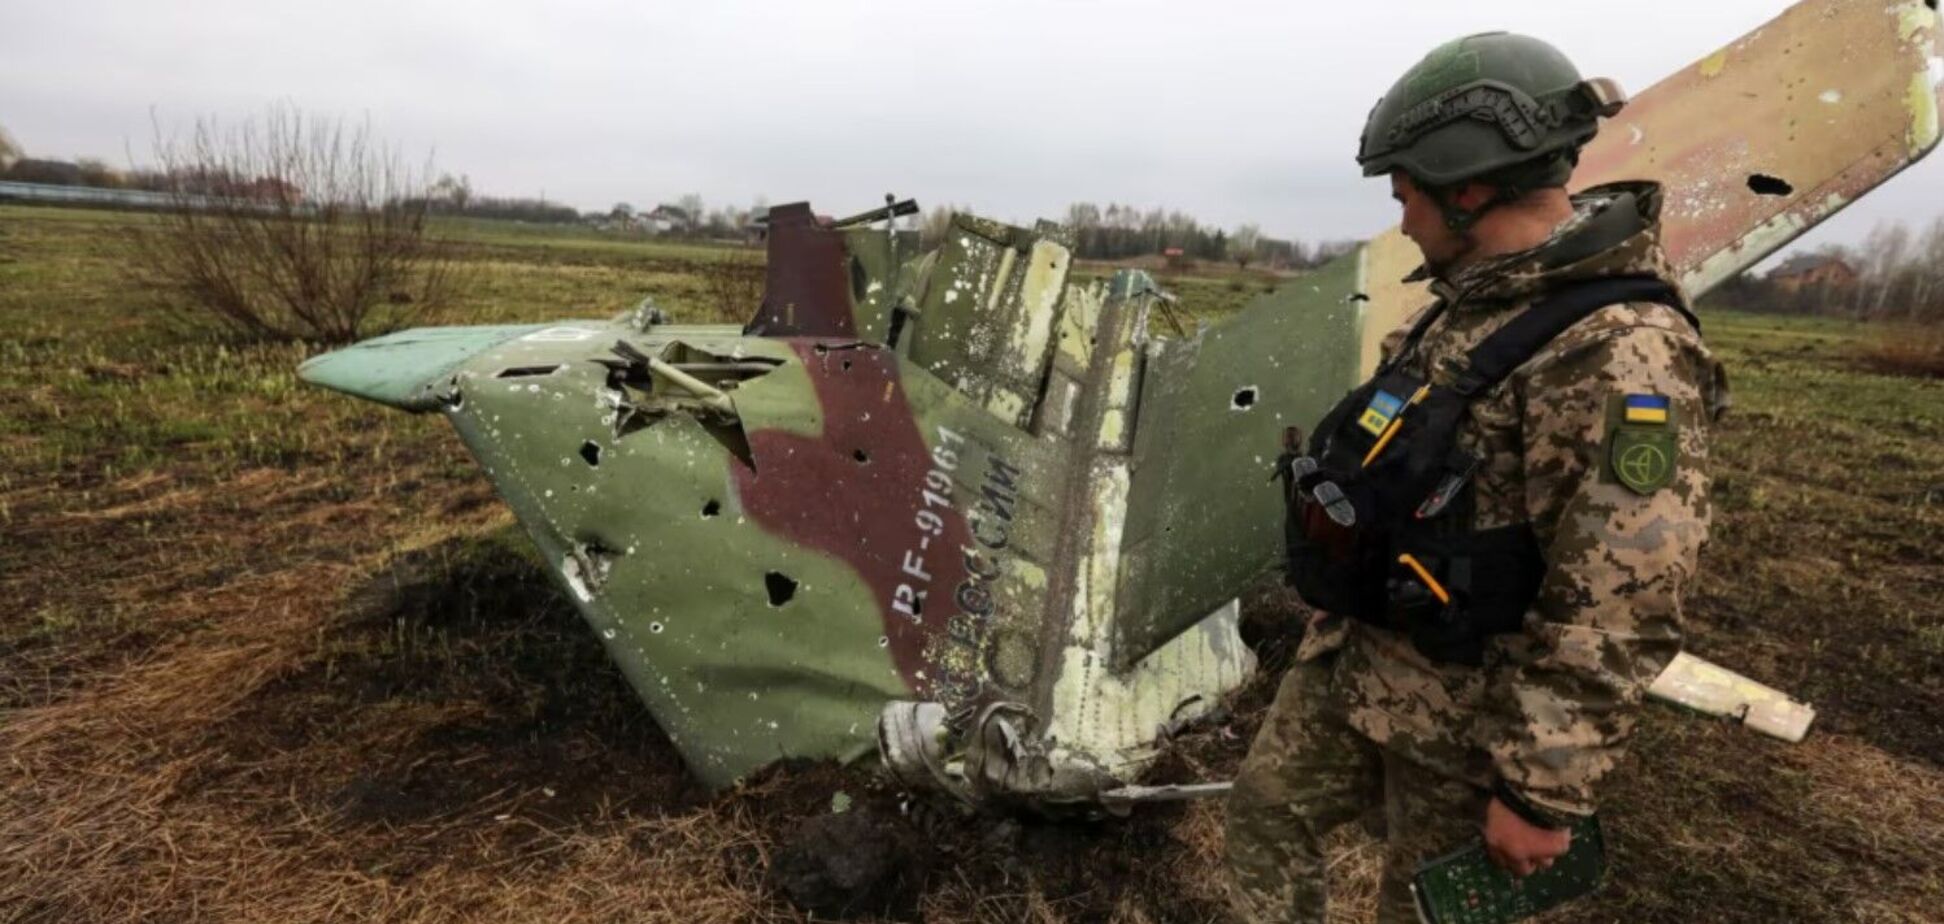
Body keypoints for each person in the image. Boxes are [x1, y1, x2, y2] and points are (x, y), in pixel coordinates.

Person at [1224, 32, 1728, 923]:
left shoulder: (1619, 352)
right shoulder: (1467, 302)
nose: (1401, 215)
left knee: (1418, 911)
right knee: (1268, 817)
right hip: (1361, 666)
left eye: (1407, 190)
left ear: (1469, 188)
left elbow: (1624, 594)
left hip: (1473, 725)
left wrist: (1543, 787)